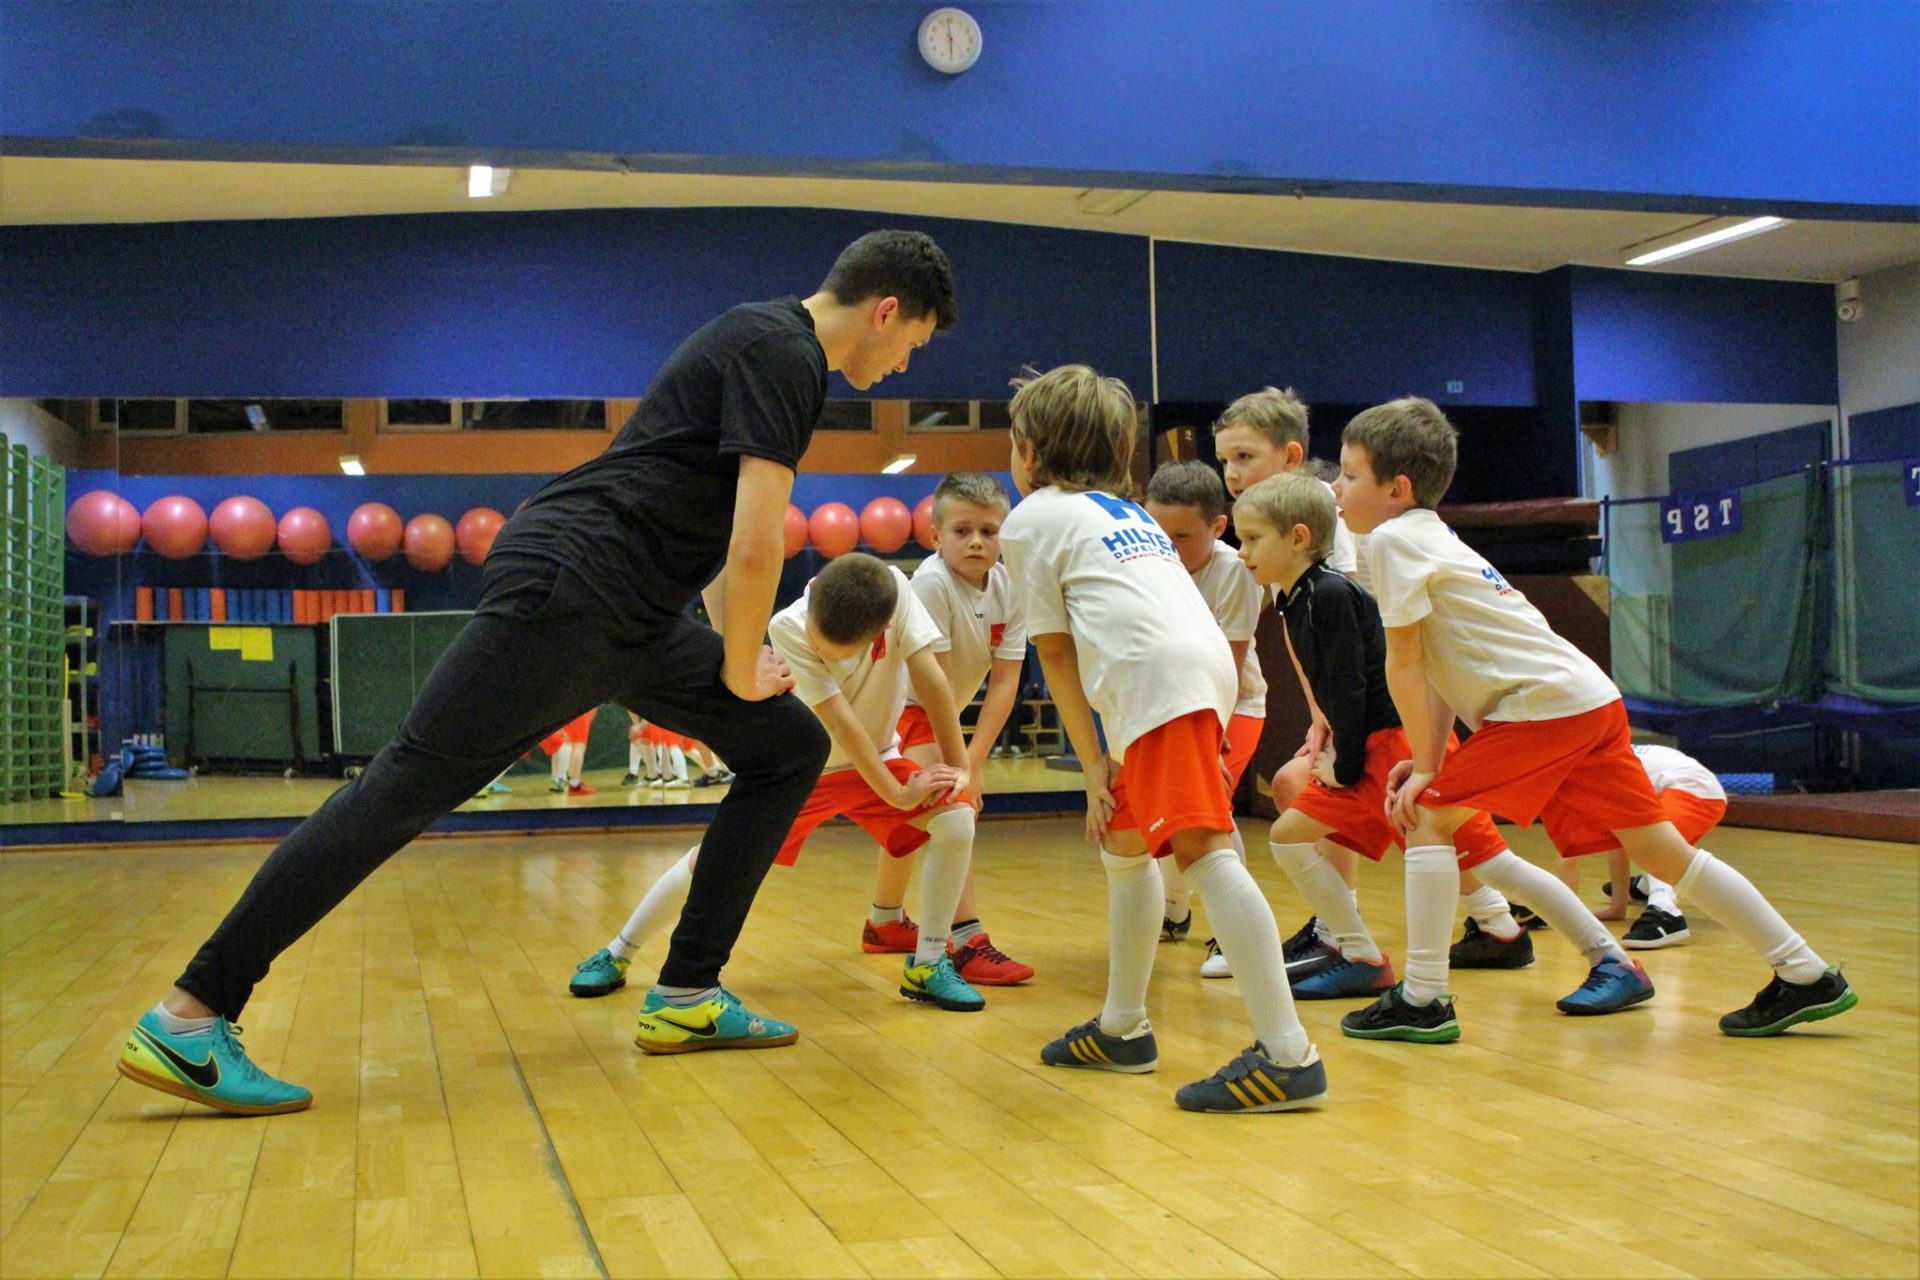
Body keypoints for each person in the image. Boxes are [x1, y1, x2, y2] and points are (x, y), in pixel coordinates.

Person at [117, 230, 958, 1114]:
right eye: (913, 343)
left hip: (629, 613)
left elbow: (716, 542)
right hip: (576, 589)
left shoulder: (767, 341)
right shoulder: (786, 353)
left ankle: (686, 994)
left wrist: (734, 659)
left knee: (785, 744)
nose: (905, 364)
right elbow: (756, 543)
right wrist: (743, 664)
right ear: (885, 310)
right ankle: (191, 1015)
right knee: (400, 788)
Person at [1335, 397, 1855, 1041]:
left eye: (1349, 475)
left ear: (1397, 489)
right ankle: (1804, 971)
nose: (1339, 488)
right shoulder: (1428, 536)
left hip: (1542, 708)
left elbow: (1407, 663)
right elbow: (1436, 673)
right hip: (1588, 700)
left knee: (1428, 820)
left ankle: (1422, 999)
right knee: (1660, 850)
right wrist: (1430, 759)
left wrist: (1427, 771)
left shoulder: (1392, 540)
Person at [1000, 364, 1325, 1114]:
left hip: (1159, 686)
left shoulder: (1033, 519)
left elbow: (1056, 654)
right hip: (1194, 677)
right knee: (1124, 846)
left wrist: (1092, 764)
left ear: (1030, 450)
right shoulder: (1126, 513)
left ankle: (1288, 1055)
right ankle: (1122, 1027)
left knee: (1206, 852)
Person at [1235, 474, 1650, 1028]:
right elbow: (1337, 693)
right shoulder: (1296, 598)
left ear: (1297, 538)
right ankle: (1359, 954)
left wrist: (1345, 763)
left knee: (1496, 865)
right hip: (1367, 747)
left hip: (1396, 744)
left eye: (1252, 539)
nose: (1243, 552)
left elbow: (1354, 689)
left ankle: (1609, 957)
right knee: (1288, 837)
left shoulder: (1330, 594)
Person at [568, 553, 986, 1020]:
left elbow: (932, 679)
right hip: (804, 772)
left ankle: (929, 962)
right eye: (822, 646)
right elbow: (841, 725)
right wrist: (898, 793)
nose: (827, 654)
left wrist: (960, 769)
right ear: (814, 594)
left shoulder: (893, 590)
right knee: (713, 861)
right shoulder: (788, 625)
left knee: (957, 816)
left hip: (878, 758)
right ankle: (618, 950)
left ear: (881, 629)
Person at [1209, 387, 1365, 975]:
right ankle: (1338, 928)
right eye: (1225, 460)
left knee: (1412, 812)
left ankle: (1342, 932)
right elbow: (1302, 632)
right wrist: (1318, 712)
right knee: (1301, 788)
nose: (1231, 472)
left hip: (1386, 684)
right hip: (1352, 690)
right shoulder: (1270, 527)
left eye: (1245, 457)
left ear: (1291, 456)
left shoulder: (1319, 514)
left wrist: (1336, 716)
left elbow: (1342, 622)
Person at [862, 472, 1035, 986]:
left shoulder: (1011, 586)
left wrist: (973, 762)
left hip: (940, 711)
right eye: (962, 531)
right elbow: (933, 683)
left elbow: (1005, 682)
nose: (977, 541)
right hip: (903, 708)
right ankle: (966, 938)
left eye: (989, 530)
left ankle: (884, 922)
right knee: (950, 808)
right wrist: (962, 771)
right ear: (936, 537)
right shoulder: (931, 583)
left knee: (915, 820)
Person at [1141, 461, 1267, 978]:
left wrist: (1211, 744)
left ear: (1218, 526)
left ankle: (1231, 938)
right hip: (1171, 707)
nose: (1168, 547)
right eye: (1159, 532)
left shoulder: (1235, 571)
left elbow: (1229, 667)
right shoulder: (1144, 566)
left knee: (1210, 814)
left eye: (1182, 536)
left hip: (1232, 706)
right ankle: (1175, 910)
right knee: (1166, 815)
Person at [1451, 744, 1725, 964]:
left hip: (1692, 789)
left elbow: (1568, 858)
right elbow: (1620, 842)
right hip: (1687, 786)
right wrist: (1617, 908)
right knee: (1643, 844)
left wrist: (1558, 910)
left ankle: (1666, 911)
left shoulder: (1570, 772)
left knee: (1657, 851)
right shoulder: (1587, 759)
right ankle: (1642, 886)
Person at [544, 709, 596, 795]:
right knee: (579, 745)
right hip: (580, 712)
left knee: (571, 745)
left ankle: (566, 780)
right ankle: (574, 784)